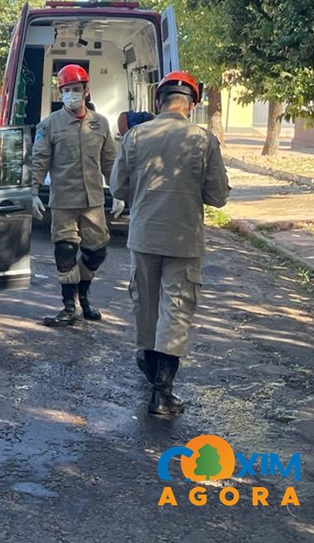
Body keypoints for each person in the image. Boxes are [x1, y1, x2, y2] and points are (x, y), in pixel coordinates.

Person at [109, 70, 230, 416]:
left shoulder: (135, 136)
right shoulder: (204, 140)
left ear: (158, 101)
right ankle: (162, 393)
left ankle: (148, 366)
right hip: (184, 239)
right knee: (176, 309)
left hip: (144, 235)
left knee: (145, 306)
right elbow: (217, 196)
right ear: (191, 104)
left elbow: (118, 188)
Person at [30, 64, 124, 327]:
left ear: (86, 90)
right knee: (65, 249)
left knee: (96, 252)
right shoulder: (49, 125)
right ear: (61, 93)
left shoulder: (100, 124)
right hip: (63, 201)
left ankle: (84, 296)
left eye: (76, 89)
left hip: (93, 201)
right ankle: (69, 305)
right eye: (67, 90)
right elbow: (39, 160)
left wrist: (118, 192)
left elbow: (110, 162)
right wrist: (33, 191)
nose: (72, 94)